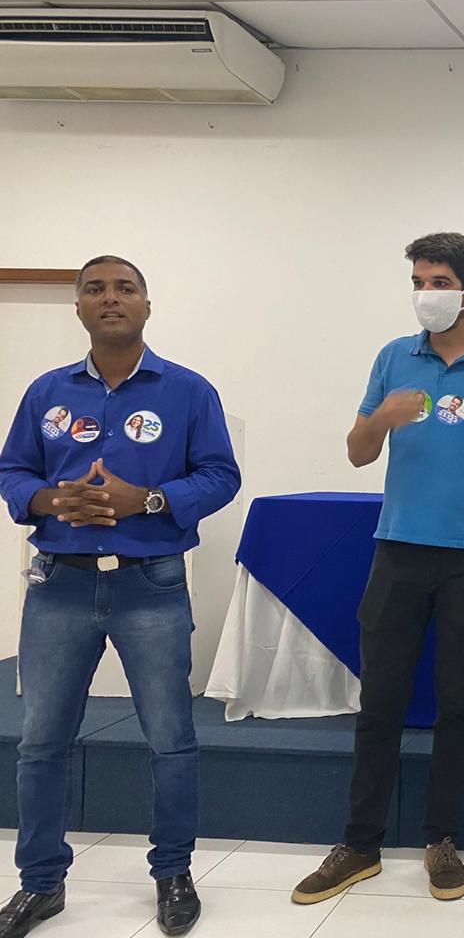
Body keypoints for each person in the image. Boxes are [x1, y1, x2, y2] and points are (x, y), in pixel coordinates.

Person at [292, 232, 464, 905]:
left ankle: (442, 839)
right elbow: (358, 453)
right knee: (380, 699)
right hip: (398, 548)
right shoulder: (392, 358)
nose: (426, 294)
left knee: (458, 700)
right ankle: (360, 843)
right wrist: (381, 417)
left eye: (439, 282)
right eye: (418, 282)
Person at [0, 256, 241, 937]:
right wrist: (49, 499)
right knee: (41, 742)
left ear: (146, 305)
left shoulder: (188, 391)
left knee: (170, 739)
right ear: (78, 306)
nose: (111, 298)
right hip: (59, 584)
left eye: (125, 288)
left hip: (151, 585)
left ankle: (174, 874)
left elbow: (221, 475)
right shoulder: (47, 391)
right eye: (95, 289)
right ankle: (40, 883)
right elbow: (13, 470)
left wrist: (151, 499)